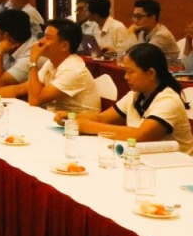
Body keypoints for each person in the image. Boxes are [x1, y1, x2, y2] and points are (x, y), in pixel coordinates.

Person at [60, 42, 193, 154]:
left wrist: (89, 127)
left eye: (131, 72)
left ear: (151, 73)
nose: (126, 77)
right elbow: (102, 118)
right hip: (145, 158)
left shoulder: (168, 100)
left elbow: (141, 136)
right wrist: (70, 118)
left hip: (178, 166)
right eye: (125, 72)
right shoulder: (135, 95)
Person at [0, 20, 99, 113]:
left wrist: (33, 61)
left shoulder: (73, 69)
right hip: (55, 119)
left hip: (75, 129)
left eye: (47, 38)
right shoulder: (52, 63)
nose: (41, 41)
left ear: (64, 46)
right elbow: (19, 89)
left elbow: (35, 100)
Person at [129, 0, 181, 71]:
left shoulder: (162, 35)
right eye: (134, 16)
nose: (135, 20)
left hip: (171, 74)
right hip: (154, 71)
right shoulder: (142, 32)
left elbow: (142, 57)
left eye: (139, 16)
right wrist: (114, 54)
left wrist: (131, 34)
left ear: (153, 17)